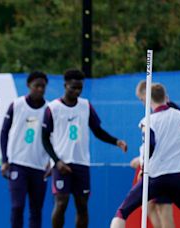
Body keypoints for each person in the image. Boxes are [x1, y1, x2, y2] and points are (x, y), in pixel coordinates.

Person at [110, 83, 180, 228]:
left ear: (147, 100)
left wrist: (143, 167)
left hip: (155, 176)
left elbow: (150, 146)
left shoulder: (148, 121)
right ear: (165, 97)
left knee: (122, 212)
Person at [41, 69, 127, 228]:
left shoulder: (85, 106)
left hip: (81, 163)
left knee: (82, 205)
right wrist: (56, 161)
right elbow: (44, 138)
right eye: (73, 87)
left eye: (80, 88)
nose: (77, 91)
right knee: (61, 203)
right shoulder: (53, 108)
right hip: (62, 163)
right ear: (65, 85)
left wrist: (116, 141)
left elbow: (97, 131)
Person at [136, 80, 180, 228]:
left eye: (142, 99)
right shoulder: (158, 110)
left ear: (147, 95)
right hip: (160, 167)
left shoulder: (171, 112)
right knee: (149, 206)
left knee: (164, 209)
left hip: (168, 168)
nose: (142, 103)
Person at [0, 71, 50, 228]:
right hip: (18, 164)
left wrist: (52, 162)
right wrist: (4, 160)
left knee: (36, 210)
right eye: (37, 86)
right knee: (17, 206)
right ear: (29, 86)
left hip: (39, 166)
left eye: (43, 86)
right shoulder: (17, 105)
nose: (40, 89)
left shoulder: (50, 109)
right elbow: (4, 132)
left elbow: (55, 138)